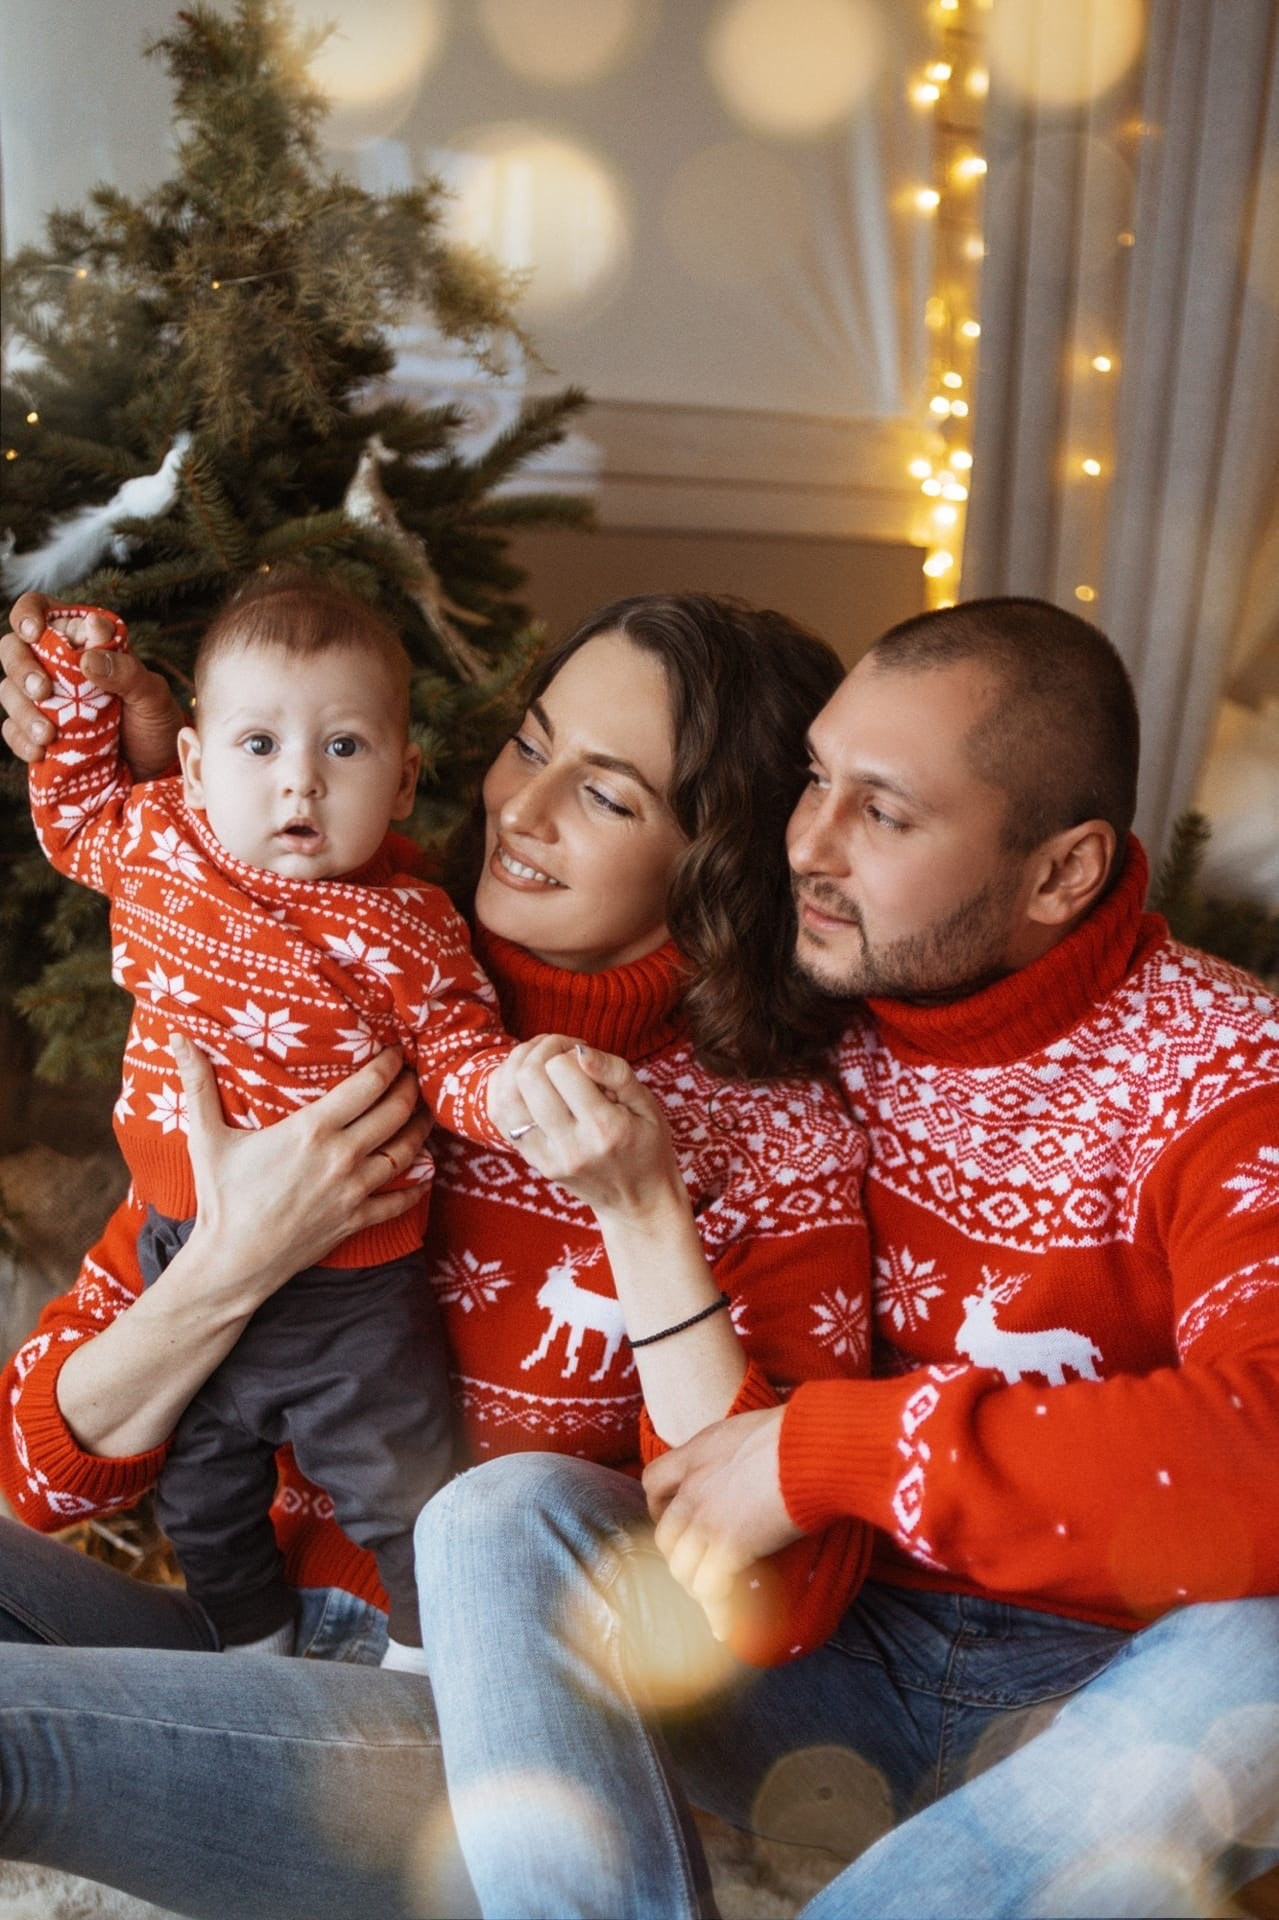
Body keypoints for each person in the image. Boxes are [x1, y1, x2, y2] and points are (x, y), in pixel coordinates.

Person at [0, 589, 871, 1918]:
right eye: (530, 744)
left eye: (608, 794)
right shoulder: (311, 997)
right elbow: (37, 1470)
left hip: (486, 1741)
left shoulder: (772, 1136)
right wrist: (233, 1260)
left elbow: (780, 1597)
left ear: (718, 858)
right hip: (257, 1641)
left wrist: (641, 1213)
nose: (520, 811)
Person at [404, 596, 1279, 1918]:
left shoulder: (1228, 1070)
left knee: (1260, 1663)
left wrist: (838, 1451)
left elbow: (1259, 1448)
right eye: (813, 777)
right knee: (498, 1520)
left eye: (882, 812)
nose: (802, 842)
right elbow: (419, 927)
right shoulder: (786, 1018)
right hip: (817, 1674)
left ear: (1059, 871)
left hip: (1102, 1710)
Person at [23, 571, 527, 1668]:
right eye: (258, 746)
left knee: (402, 1484)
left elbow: (454, 1050)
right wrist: (75, 682)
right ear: (196, 765)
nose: (299, 779)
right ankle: (250, 1653)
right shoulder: (159, 838)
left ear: (402, 782)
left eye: (344, 748)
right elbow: (73, 808)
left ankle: (426, 1664)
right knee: (201, 1490)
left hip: (355, 1287)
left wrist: (512, 1094)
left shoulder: (410, 926)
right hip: (180, 1246)